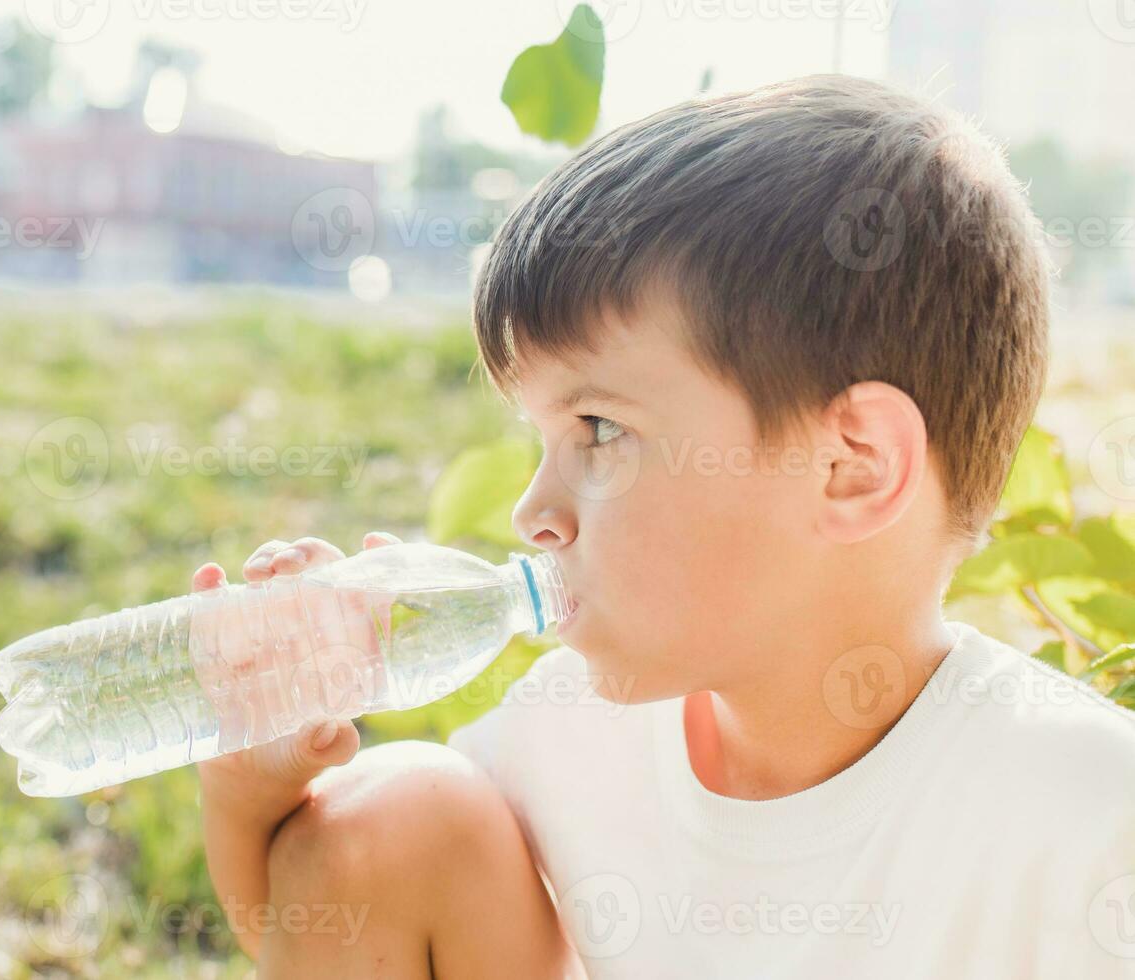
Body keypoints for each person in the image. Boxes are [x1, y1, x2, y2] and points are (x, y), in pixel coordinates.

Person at [193, 74, 1135, 978]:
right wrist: (253, 786)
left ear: (853, 466)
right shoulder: (572, 739)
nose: (532, 514)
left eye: (599, 430)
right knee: (389, 813)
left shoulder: (1087, 811)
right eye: (544, 438)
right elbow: (331, 920)